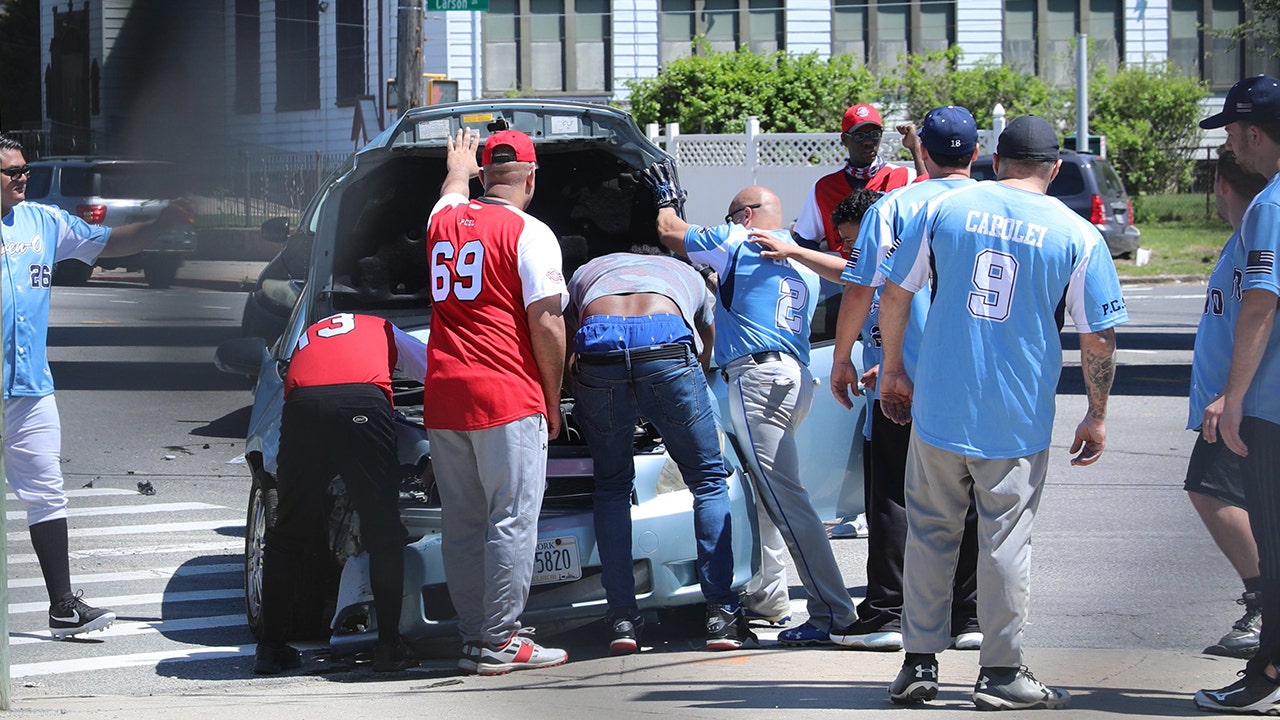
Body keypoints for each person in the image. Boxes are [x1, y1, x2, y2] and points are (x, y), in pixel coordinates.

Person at [876, 115, 1126, 710]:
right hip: (1015, 414)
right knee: (1005, 541)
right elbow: (1099, 338)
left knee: (930, 534)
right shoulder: (1076, 232)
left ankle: (918, 663)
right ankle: (1000, 671)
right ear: (1055, 168)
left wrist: (892, 369)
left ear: (994, 159)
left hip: (940, 403)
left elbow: (896, 291)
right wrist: (1096, 413)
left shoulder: (946, 210)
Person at [757, 106, 985, 653]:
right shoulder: (997, 207)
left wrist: (841, 358)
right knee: (971, 494)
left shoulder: (896, 206)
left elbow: (860, 283)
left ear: (919, 152)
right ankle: (969, 616)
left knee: (893, 496)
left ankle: (887, 610)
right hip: (974, 379)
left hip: (904, 377)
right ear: (977, 153)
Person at [640, 165, 859, 650]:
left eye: (730, 214)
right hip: (795, 378)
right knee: (765, 497)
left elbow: (668, 232)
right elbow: (857, 273)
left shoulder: (738, 238)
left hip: (758, 380)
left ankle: (834, 612)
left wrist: (665, 198)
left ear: (746, 214)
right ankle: (771, 599)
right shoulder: (800, 257)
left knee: (786, 502)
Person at [1, 135, 193, 639]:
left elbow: (112, 240)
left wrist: (161, 224)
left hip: (31, 389)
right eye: (11, 170)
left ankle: (63, 607)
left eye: (25, 168)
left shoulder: (43, 222)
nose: (22, 176)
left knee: (47, 494)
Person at [422, 127, 569, 676]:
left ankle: (473, 636)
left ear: (485, 175)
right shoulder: (530, 231)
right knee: (510, 519)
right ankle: (501, 638)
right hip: (505, 393)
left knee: (461, 522)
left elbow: (451, 194)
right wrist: (552, 401)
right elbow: (548, 321)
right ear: (532, 177)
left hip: (443, 394)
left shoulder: (441, 221)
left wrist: (458, 167)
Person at [566, 249, 746, 653]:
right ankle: (721, 613)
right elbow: (705, 340)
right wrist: (682, 390)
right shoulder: (685, 272)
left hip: (599, 343)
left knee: (611, 487)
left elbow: (568, 335)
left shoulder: (585, 268)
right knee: (707, 480)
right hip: (665, 342)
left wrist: (570, 388)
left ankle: (622, 620)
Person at [253, 312, 428, 675]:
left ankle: (270, 650)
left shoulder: (310, 334)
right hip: (362, 402)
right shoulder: (381, 327)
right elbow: (432, 370)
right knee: (383, 531)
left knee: (286, 532)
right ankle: (388, 646)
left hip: (303, 407)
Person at [1195, 74, 1280, 715]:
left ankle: (1268, 665)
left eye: (1231, 133)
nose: (1231, 147)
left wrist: (1232, 394)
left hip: (1270, 406)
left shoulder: (1270, 204)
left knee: (1273, 546)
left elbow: (1259, 302)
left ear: (1254, 131)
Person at [1186, 148, 1267, 662]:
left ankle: (1264, 603)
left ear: (1220, 185)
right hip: (1234, 399)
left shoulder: (1260, 233)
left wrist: (1229, 395)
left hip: (1243, 402)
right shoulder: (1241, 237)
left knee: (1209, 490)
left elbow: (1261, 317)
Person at [790, 103, 922, 254]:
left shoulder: (904, 177)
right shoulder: (824, 188)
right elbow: (805, 241)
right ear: (845, 140)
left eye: (874, 134)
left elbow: (930, 202)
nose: (868, 142)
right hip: (841, 275)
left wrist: (915, 148)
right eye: (859, 136)